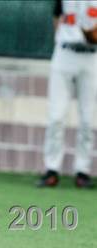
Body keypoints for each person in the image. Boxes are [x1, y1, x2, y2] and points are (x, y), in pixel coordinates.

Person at [38, 0, 96, 188]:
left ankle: (82, 171)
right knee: (56, 116)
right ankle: (52, 170)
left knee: (88, 119)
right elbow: (56, 16)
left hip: (91, 57)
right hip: (65, 53)